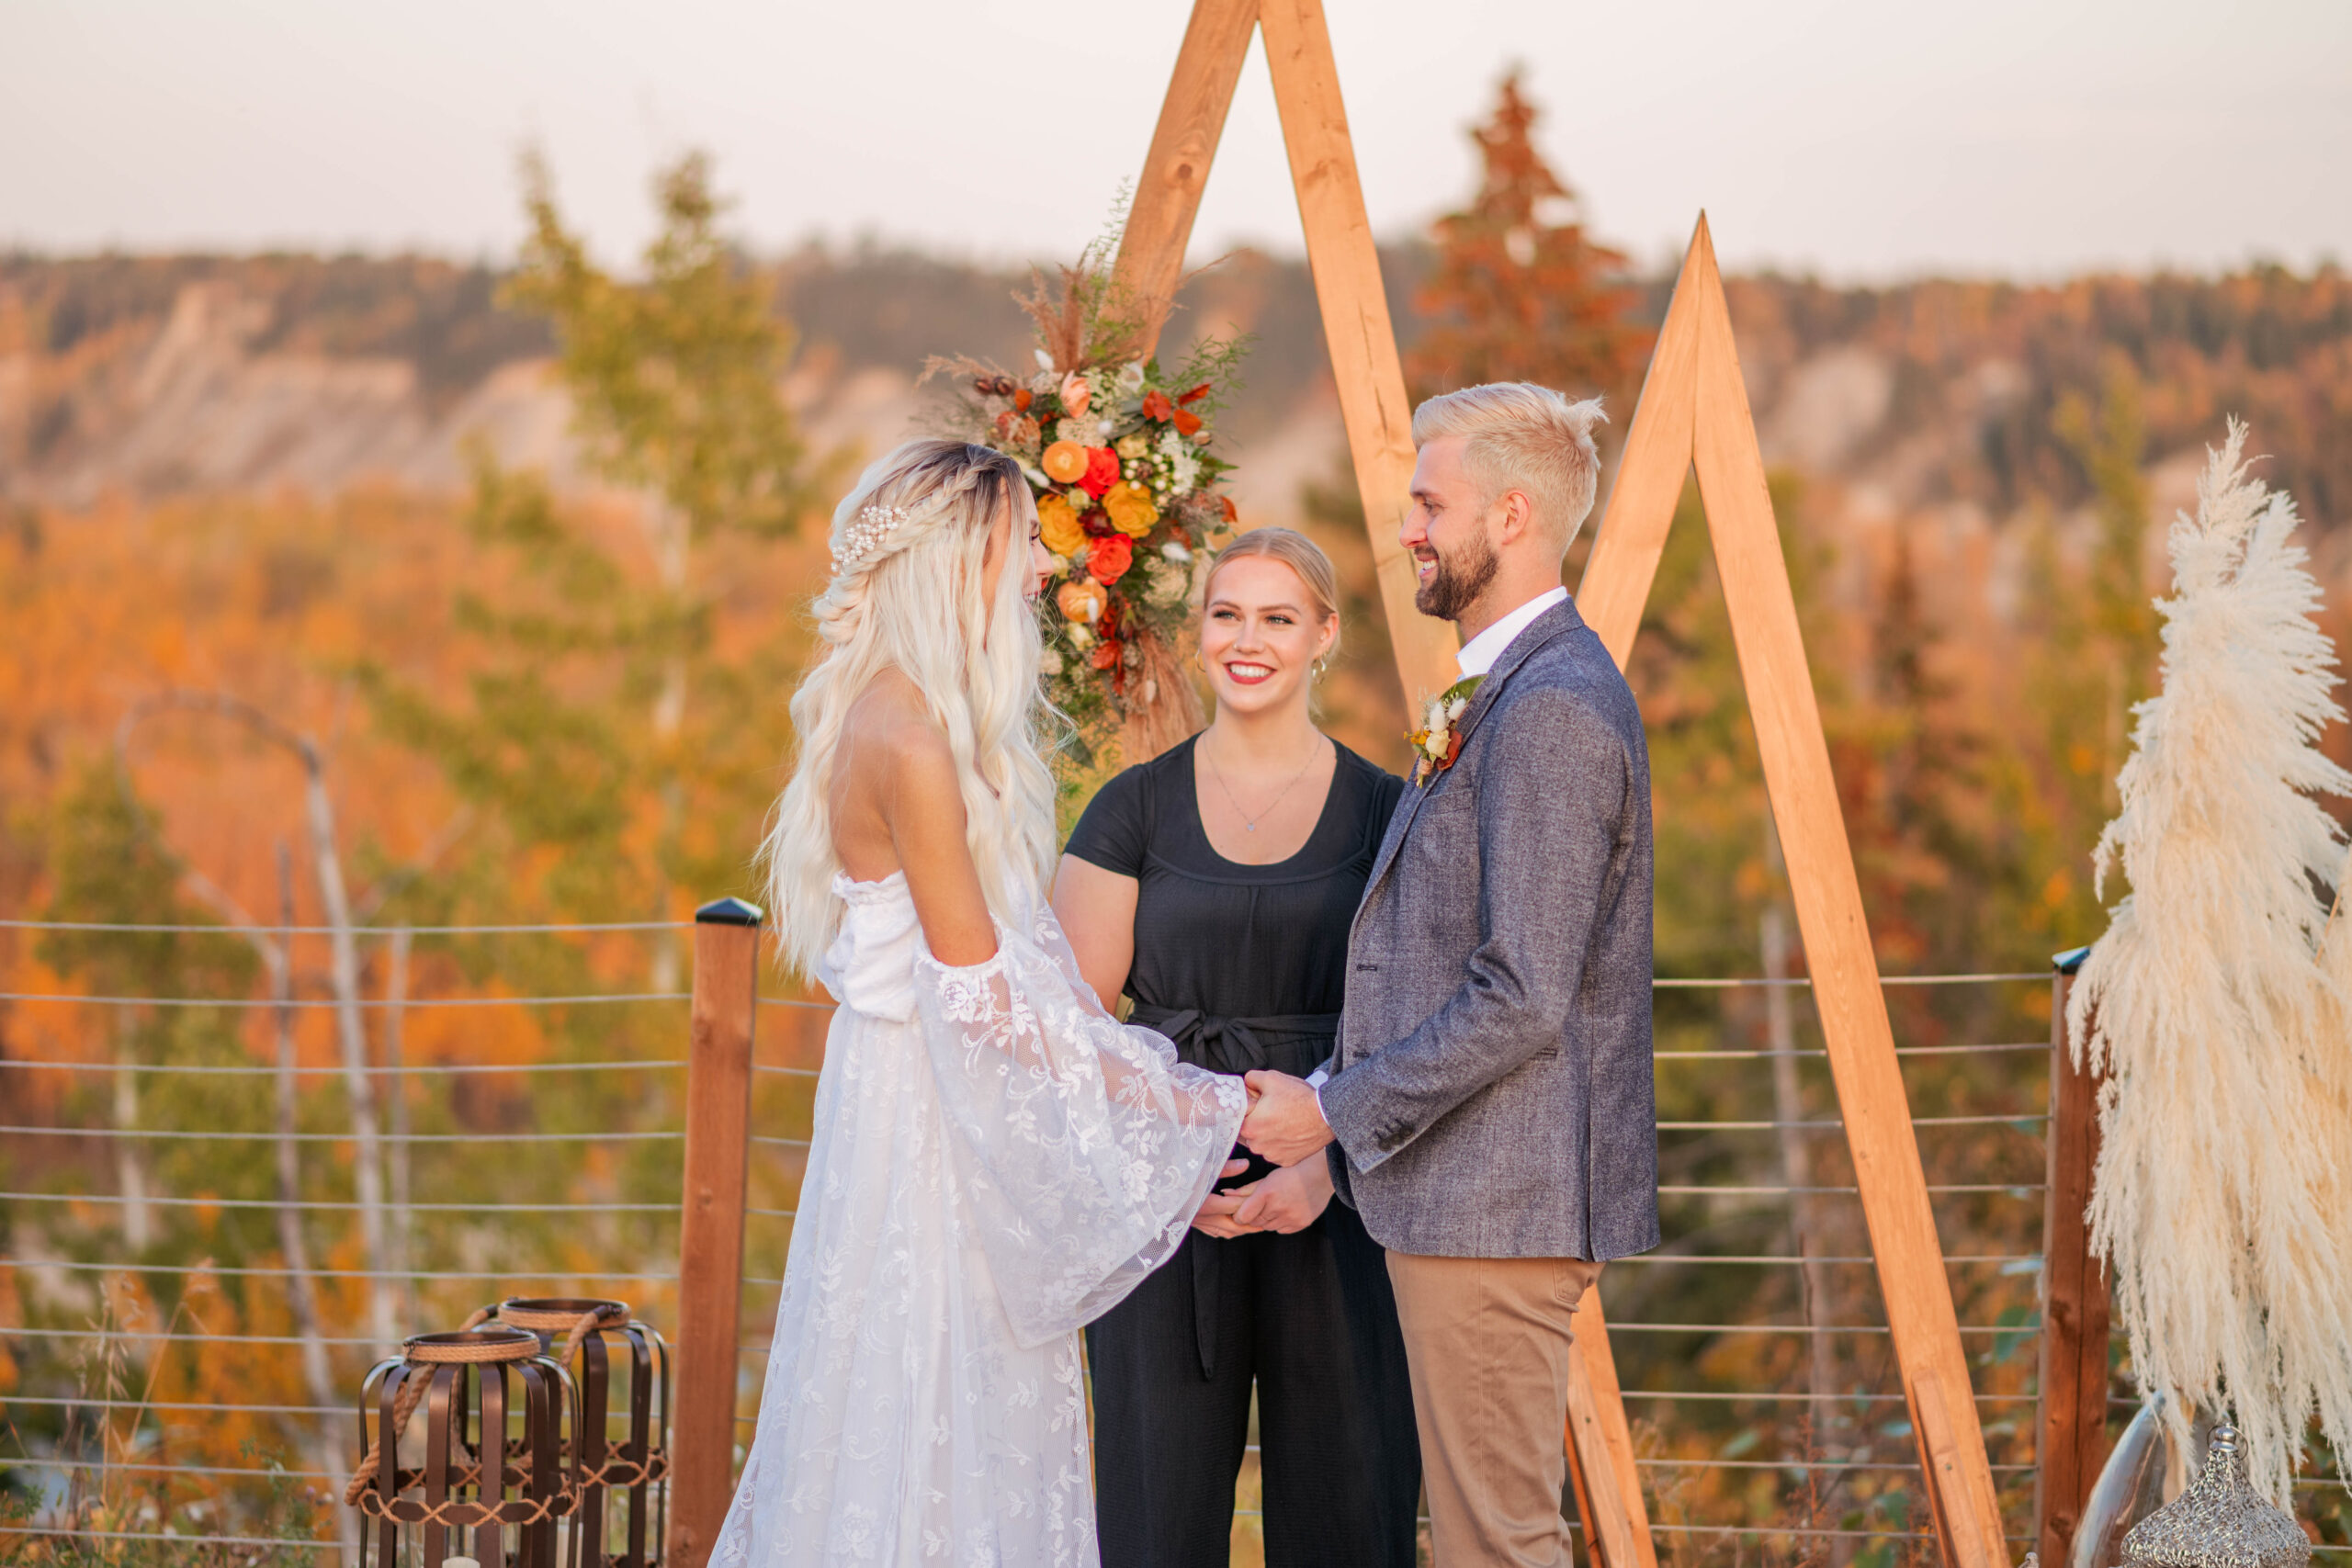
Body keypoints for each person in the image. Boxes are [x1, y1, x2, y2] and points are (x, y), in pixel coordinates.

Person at [716, 439, 1249, 1567]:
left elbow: (860, 961)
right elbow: (980, 995)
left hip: (887, 1091)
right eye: (1012, 556)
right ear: (956, 563)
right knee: (937, 1388)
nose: (1028, 584)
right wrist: (1172, 1099)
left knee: (890, 1399)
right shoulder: (909, 739)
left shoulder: (871, 709)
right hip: (930, 1123)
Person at [1238, 384, 1660, 1568]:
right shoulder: (1506, 690)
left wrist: (1329, 1107)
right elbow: (1428, 961)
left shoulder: (1556, 708)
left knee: (1494, 1543)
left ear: (1512, 514)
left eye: (1432, 502)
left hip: (1499, 1203)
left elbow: (1521, 991)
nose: (1410, 526)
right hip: (1467, 1197)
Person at [1053, 527, 1420, 1568]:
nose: (1247, 640)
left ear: (1323, 636)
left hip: (1341, 1199)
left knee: (1351, 1512)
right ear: (1201, 630)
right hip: (1165, 1206)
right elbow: (1076, 1027)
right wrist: (1183, 1145)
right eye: (1226, 614)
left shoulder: (1389, 811)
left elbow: (1416, 1024)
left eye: (1276, 617)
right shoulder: (1130, 810)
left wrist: (1325, 1159)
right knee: (1154, 1518)